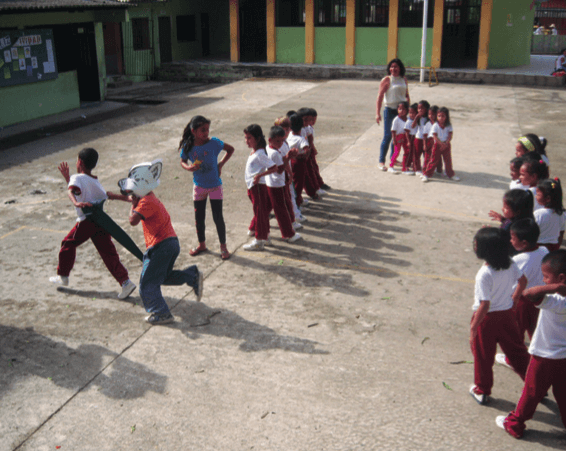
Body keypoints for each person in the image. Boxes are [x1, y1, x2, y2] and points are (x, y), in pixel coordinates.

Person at [119, 160, 203, 325]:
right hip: (170, 243)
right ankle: (191, 276)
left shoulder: (144, 202)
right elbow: (133, 201)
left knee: (147, 283)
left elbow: (132, 220)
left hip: (160, 247)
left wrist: (133, 204)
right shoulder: (149, 197)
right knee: (162, 277)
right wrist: (115, 196)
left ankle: (161, 313)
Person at [496, 250, 566, 439]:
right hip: (564, 359)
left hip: (545, 356)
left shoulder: (556, 301)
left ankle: (515, 423)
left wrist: (556, 287)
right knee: (563, 393)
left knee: (532, 391)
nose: (543, 281)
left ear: (560, 278)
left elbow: (529, 294)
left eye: (546, 277)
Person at [49, 148, 136, 300]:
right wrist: (68, 178)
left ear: (80, 162)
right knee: (108, 252)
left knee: (67, 244)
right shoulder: (95, 182)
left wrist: (76, 202)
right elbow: (80, 189)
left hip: (87, 221)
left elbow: (72, 192)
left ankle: (63, 275)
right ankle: (125, 282)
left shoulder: (77, 178)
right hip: (100, 221)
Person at [469, 227, 530, 405]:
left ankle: (482, 389)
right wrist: (515, 299)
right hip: (507, 315)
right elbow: (523, 281)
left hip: (486, 320)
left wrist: (473, 328)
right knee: (517, 351)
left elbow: (484, 304)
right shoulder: (511, 263)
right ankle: (533, 384)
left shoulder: (484, 274)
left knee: (483, 356)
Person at [179, 115, 234, 260]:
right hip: (199, 187)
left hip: (215, 186)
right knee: (199, 217)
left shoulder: (214, 143)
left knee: (218, 217)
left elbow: (230, 149)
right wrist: (189, 168)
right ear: (193, 131)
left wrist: (220, 164)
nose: (206, 133)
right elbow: (182, 160)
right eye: (203, 130)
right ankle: (202, 244)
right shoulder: (188, 145)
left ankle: (223, 246)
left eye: (207, 129)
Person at [495, 218, 548, 367]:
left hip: (521, 301)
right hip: (539, 298)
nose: (511, 241)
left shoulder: (518, 260)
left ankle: (511, 359)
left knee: (515, 332)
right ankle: (537, 351)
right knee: (534, 327)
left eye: (513, 238)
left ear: (524, 243)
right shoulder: (544, 251)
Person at [243, 124, 278, 251]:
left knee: (259, 213)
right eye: (246, 138)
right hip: (252, 187)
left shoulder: (260, 154)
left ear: (257, 139)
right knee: (261, 212)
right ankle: (266, 235)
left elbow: (274, 168)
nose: (247, 141)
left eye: (249, 138)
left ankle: (259, 240)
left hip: (258, 187)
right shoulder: (255, 152)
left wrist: (260, 175)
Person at [265, 126, 302, 242]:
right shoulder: (273, 153)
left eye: (282, 140)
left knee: (275, 206)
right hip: (275, 184)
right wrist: (288, 157)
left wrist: (289, 174)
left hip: (279, 182)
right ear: (270, 140)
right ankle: (288, 234)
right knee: (281, 209)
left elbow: (283, 165)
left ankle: (291, 222)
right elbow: (280, 169)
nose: (280, 143)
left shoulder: (274, 149)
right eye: (277, 141)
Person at [376, 58, 410, 171]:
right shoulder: (387, 79)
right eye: (391, 67)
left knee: (397, 136)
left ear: (400, 68)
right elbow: (380, 97)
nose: (393, 69)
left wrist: (409, 110)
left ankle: (393, 159)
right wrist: (377, 113)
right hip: (389, 110)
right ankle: (381, 161)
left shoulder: (403, 79)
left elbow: (406, 95)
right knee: (388, 136)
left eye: (395, 66)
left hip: (401, 112)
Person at [488, 189, 535, 256]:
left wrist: (490, 233)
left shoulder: (513, 228)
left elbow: (501, 240)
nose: (502, 209)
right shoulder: (526, 219)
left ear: (518, 211)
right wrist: (503, 219)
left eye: (506, 207)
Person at [421, 107, 459, 182]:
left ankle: (450, 174)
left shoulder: (448, 125)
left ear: (446, 117)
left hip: (446, 145)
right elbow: (434, 136)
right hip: (437, 145)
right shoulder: (435, 125)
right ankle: (427, 174)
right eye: (439, 116)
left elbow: (450, 135)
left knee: (448, 161)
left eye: (443, 116)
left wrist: (446, 143)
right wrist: (441, 144)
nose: (441, 118)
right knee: (433, 160)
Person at [534, 178, 566, 251]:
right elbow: (561, 235)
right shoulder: (563, 214)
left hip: (538, 248)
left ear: (548, 198)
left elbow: (531, 233)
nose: (536, 196)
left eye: (538, 194)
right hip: (553, 248)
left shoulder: (538, 214)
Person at [404, 103, 418, 175]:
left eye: (413, 113)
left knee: (414, 152)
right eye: (410, 113)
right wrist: (408, 141)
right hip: (410, 137)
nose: (411, 114)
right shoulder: (408, 122)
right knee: (409, 153)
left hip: (416, 137)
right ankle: (406, 166)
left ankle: (413, 165)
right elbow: (406, 132)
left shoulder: (417, 121)